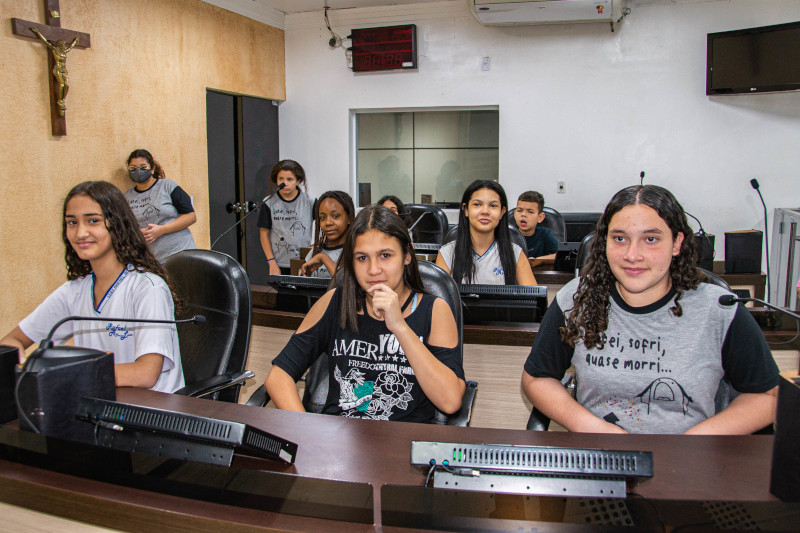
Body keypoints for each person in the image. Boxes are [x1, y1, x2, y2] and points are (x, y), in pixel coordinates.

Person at [521, 185, 778, 435]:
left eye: (651, 239)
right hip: (601, 455)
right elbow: (537, 379)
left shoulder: (718, 309)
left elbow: (767, 396)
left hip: (693, 461)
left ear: (677, 243)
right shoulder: (577, 299)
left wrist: (697, 443)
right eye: (619, 238)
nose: (632, 255)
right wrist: (589, 427)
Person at [265, 205, 466, 422]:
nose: (373, 270)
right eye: (362, 258)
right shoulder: (335, 302)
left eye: (385, 255)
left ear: (407, 255)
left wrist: (400, 327)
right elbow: (278, 377)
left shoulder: (433, 309)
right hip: (338, 440)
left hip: (402, 444)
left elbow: (450, 401)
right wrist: (307, 434)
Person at [1, 181, 185, 393]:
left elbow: (145, 374)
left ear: (117, 224)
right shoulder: (75, 290)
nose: (80, 233)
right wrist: (26, 367)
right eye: (72, 223)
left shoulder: (148, 288)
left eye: (93, 221)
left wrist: (62, 373)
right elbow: (12, 341)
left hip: (150, 415)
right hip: (99, 407)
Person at [436, 180, 537, 286]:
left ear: (502, 212)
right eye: (477, 204)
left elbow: (532, 298)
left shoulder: (515, 253)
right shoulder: (447, 253)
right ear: (466, 209)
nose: (485, 211)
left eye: (493, 206)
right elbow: (438, 298)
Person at [123, 149, 197, 264]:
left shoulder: (167, 186)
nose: (138, 171)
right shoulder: (126, 197)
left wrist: (161, 230)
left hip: (181, 253)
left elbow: (191, 216)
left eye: (143, 167)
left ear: (152, 169)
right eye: (133, 168)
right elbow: (124, 227)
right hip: (152, 260)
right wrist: (137, 233)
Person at [257, 160, 314, 275]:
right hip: (279, 262)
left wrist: (315, 247)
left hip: (304, 262)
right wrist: (271, 262)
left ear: (298, 181)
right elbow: (264, 233)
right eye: (281, 179)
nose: (285, 183)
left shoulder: (310, 201)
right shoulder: (269, 202)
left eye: (289, 179)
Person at [300, 191, 355, 278]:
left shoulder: (356, 252)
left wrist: (324, 258)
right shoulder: (315, 252)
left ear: (349, 218)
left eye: (335, 216)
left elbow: (346, 285)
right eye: (322, 218)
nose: (328, 223)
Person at [515, 191, 559, 268]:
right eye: (519, 210)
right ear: (515, 213)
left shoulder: (545, 234)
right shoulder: (509, 233)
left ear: (540, 217)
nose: (523, 214)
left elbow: (560, 256)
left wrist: (539, 260)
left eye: (530, 212)